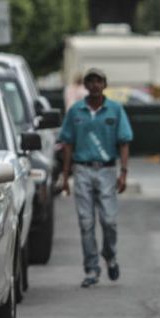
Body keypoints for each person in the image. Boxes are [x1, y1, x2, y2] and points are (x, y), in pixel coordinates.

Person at [59, 68, 134, 288]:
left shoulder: (115, 110)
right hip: (82, 169)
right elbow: (67, 144)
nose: (94, 85)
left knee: (109, 220)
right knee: (86, 222)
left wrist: (123, 172)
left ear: (104, 84)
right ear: (85, 85)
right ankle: (91, 268)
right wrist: (65, 176)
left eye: (98, 81)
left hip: (107, 170)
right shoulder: (76, 111)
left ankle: (109, 255)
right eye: (90, 81)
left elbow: (124, 142)